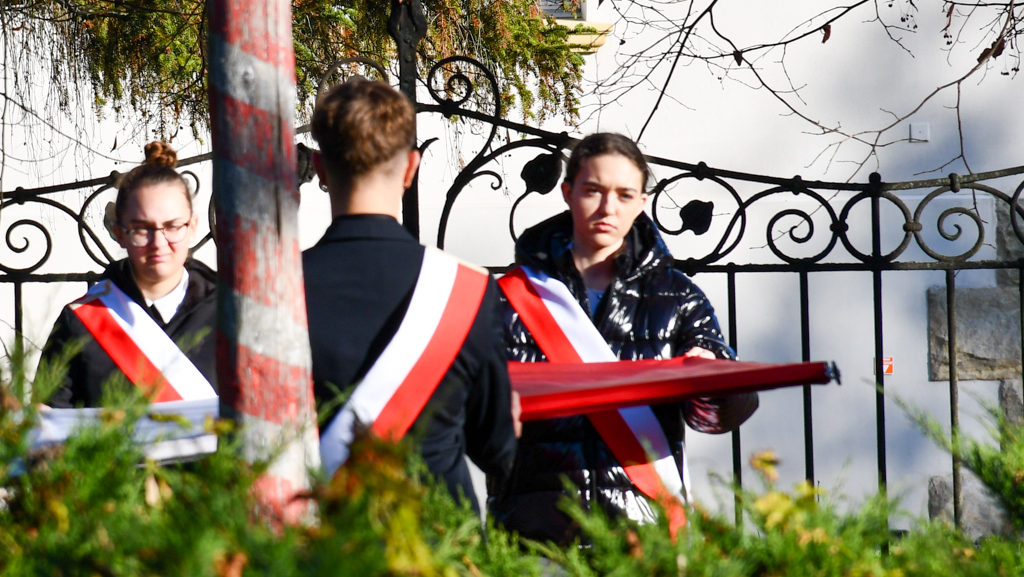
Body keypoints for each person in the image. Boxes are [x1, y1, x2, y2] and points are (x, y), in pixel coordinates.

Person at [494, 132, 757, 544]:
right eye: (593, 191)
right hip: (535, 537)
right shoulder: (509, 298)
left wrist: (714, 381)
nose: (608, 208)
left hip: (645, 535)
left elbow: (716, 418)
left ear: (642, 202)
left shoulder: (679, 298)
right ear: (567, 193)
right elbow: (464, 413)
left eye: (624, 194)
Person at [302, 77, 516, 509]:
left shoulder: (275, 290)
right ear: (410, 168)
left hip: (319, 536)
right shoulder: (466, 289)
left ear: (320, 168)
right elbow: (496, 450)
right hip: (440, 535)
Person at [37, 142, 217, 410]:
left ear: (192, 228)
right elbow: (48, 422)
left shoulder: (231, 313)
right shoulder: (80, 322)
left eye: (172, 226)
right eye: (142, 229)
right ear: (119, 233)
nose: (158, 243)